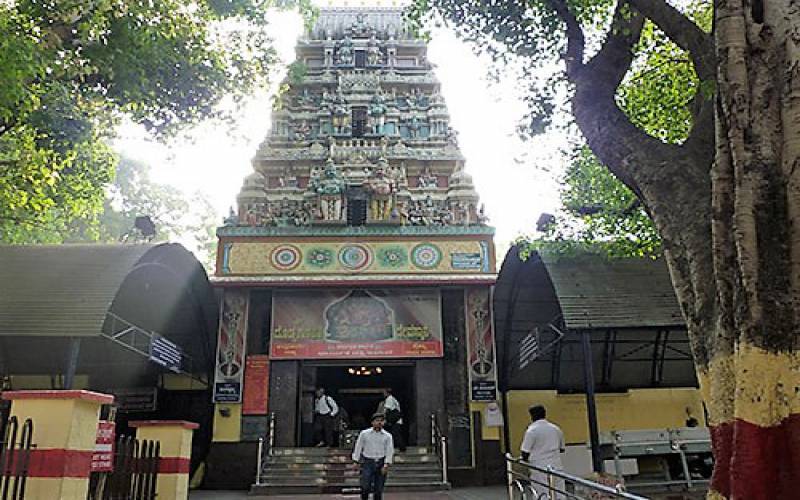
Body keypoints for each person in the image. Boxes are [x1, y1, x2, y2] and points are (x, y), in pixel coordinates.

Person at [520, 404, 565, 500]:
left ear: (532, 416)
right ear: (545, 414)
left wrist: (524, 459)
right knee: (559, 493)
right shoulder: (556, 429)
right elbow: (562, 449)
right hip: (556, 465)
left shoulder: (531, 431)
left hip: (539, 467)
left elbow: (525, 452)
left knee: (541, 493)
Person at [352, 413, 394, 500]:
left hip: (381, 462)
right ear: (372, 422)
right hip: (368, 462)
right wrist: (356, 460)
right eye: (377, 420)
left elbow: (389, 450)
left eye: (381, 421)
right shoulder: (364, 433)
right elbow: (358, 446)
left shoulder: (388, 436)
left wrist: (386, 464)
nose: (379, 423)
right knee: (365, 486)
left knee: (378, 489)